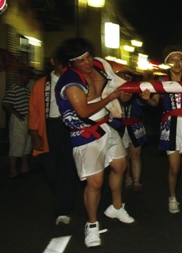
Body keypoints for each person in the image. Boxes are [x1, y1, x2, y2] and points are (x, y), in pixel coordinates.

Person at [54, 38, 135, 248]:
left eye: (88, 56)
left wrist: (125, 95)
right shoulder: (69, 80)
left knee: (120, 165)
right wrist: (112, 98)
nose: (88, 62)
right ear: (71, 63)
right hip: (84, 133)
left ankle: (116, 207)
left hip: (107, 125)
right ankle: (91, 225)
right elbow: (83, 111)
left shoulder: (100, 65)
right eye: (81, 60)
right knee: (95, 183)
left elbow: (116, 87)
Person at [142, 47, 182, 218]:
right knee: (174, 168)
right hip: (171, 125)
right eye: (173, 59)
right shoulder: (161, 81)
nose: (177, 63)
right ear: (167, 62)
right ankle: (172, 197)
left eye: (180, 59)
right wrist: (147, 100)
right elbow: (155, 103)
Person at [28, 54, 77, 225]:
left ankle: (62, 210)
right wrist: (34, 134)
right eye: (60, 60)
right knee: (49, 168)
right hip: (47, 127)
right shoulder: (41, 83)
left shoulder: (74, 80)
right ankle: (62, 195)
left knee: (66, 167)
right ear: (53, 62)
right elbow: (33, 109)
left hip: (68, 127)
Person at [119, 72, 148, 193]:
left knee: (135, 155)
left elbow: (144, 103)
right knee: (124, 156)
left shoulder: (136, 93)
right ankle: (128, 178)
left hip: (135, 126)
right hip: (120, 127)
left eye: (127, 78)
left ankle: (136, 181)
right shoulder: (114, 93)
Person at [3, 66, 33, 178]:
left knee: (27, 144)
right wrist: (17, 113)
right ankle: (13, 170)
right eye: (24, 74)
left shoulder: (25, 90)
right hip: (18, 120)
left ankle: (24, 167)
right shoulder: (13, 88)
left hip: (26, 119)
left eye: (27, 75)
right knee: (16, 144)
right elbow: (6, 103)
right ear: (18, 76)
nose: (26, 77)